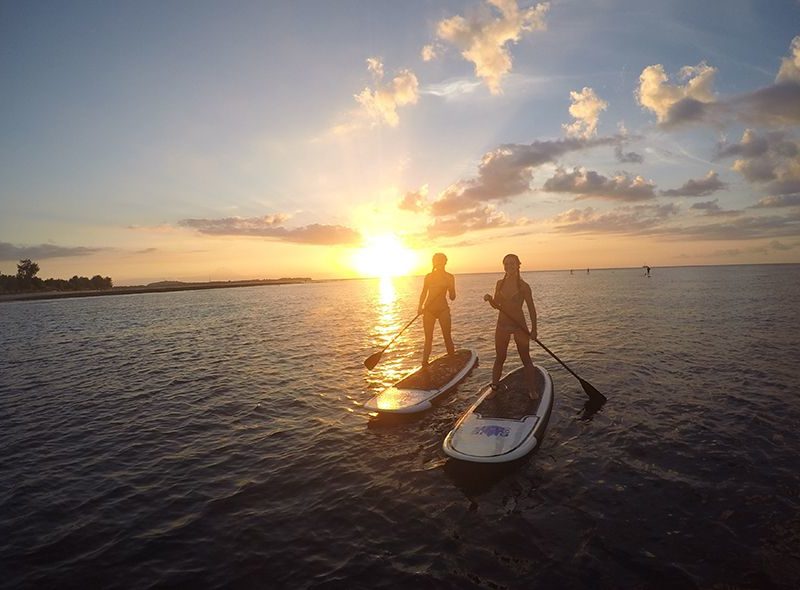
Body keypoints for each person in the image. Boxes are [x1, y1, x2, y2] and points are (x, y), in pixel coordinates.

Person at [484, 254, 538, 401]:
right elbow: (497, 306)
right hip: (502, 325)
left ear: (518, 265)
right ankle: (494, 387)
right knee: (500, 358)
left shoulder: (524, 286)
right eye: (506, 264)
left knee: (525, 358)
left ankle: (532, 390)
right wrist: (490, 299)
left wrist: (534, 329)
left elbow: (532, 309)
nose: (509, 266)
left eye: (512, 264)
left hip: (519, 326)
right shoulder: (499, 283)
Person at [417, 253, 456, 365]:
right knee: (428, 339)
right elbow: (424, 292)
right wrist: (420, 307)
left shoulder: (449, 277)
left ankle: (452, 361)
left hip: (443, 309)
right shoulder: (429, 276)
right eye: (437, 261)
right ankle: (424, 363)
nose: (439, 263)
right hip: (429, 310)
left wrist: (450, 288)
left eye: (441, 260)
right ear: (434, 262)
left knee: (447, 336)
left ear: (445, 262)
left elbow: (452, 297)